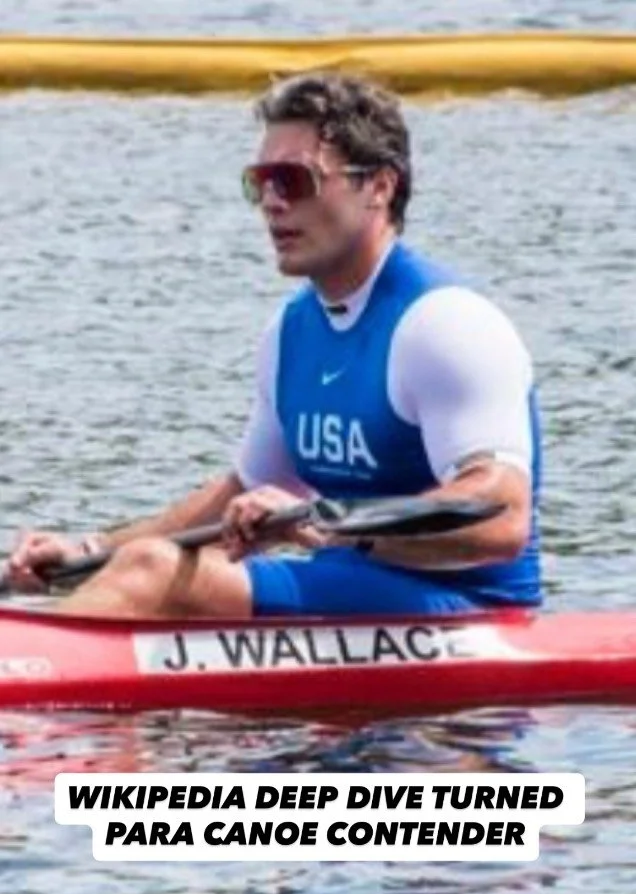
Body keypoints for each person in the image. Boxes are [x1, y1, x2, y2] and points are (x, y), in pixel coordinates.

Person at [8, 72, 541, 620]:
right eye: (260, 182)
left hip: (466, 607)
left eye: (293, 180)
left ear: (379, 187)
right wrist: (92, 552)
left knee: (154, 571)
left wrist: (321, 520)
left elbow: (503, 518)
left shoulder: (445, 324)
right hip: (351, 588)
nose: (271, 202)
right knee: (140, 563)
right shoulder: (291, 332)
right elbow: (241, 491)